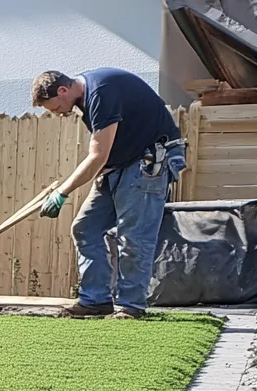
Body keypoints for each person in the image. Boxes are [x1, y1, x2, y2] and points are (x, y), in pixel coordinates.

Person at [31, 68, 186, 319]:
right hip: (119, 166)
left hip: (148, 162)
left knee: (134, 237)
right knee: (85, 228)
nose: (57, 113)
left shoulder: (102, 91)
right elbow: (108, 151)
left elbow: (97, 155)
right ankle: (95, 301)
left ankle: (131, 306)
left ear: (63, 90)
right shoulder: (87, 97)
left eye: (54, 107)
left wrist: (62, 193)